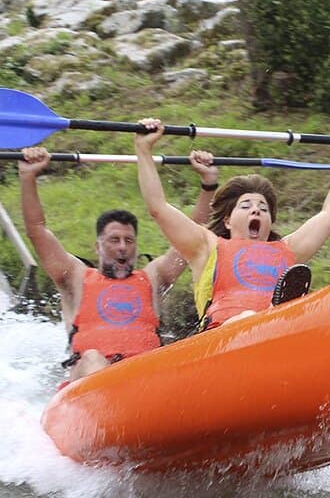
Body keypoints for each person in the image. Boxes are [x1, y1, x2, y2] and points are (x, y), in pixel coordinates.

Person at [134, 118, 330, 331]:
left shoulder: (289, 250)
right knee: (249, 317)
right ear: (228, 221)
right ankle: (273, 314)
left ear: (269, 222)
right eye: (246, 205)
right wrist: (143, 149)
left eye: (263, 208)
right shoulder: (206, 247)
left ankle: (279, 315)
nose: (256, 210)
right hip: (220, 336)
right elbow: (158, 207)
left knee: (289, 317)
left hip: (276, 332)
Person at [19, 146, 217, 383]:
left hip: (142, 379)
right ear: (98, 247)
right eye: (114, 240)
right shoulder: (74, 276)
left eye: (129, 241)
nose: (123, 247)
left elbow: (193, 232)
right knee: (93, 358)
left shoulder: (155, 277)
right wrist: (28, 177)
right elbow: (37, 231)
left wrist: (208, 184)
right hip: (88, 384)